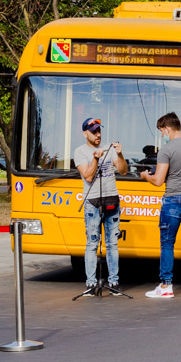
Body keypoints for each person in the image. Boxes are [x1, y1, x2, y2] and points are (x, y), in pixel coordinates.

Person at [140, 112, 181, 299]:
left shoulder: (166, 150)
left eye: (162, 131)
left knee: (167, 244)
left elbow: (159, 180)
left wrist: (146, 176)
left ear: (167, 128)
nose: (163, 135)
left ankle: (166, 285)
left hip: (173, 200)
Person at [73, 117, 128, 296]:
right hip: (92, 203)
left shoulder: (108, 149)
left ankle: (114, 282)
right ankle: (90, 284)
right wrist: (96, 159)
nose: (98, 134)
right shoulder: (80, 152)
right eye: (94, 131)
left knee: (112, 244)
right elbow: (88, 176)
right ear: (85, 134)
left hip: (111, 200)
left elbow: (123, 170)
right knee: (92, 244)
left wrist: (119, 154)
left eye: (99, 131)